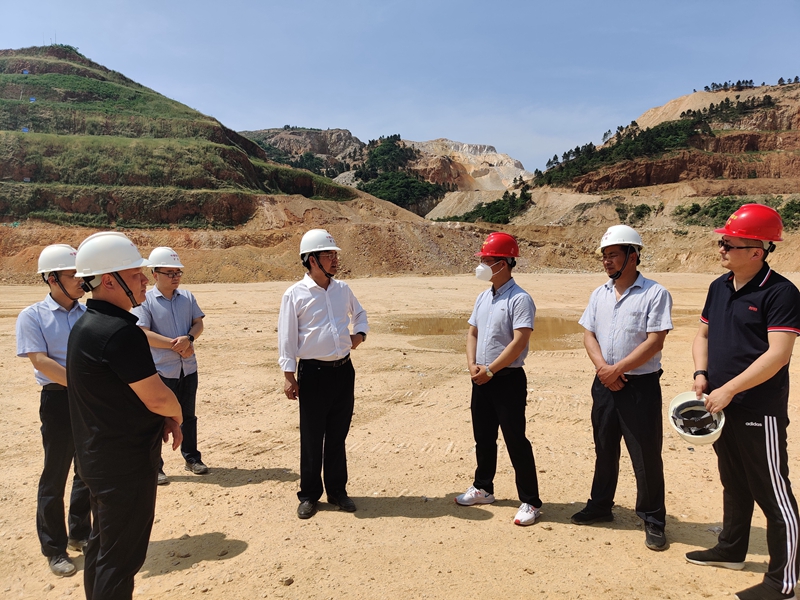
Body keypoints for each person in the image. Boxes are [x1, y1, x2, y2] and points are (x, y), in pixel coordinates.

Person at [685, 204, 800, 600]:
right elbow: (702, 335)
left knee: (772, 491)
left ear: (756, 251)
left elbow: (778, 355)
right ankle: (731, 549)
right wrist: (701, 373)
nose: (721, 249)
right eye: (722, 243)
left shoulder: (781, 292)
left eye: (728, 244)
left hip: (757, 409)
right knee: (733, 481)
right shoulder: (719, 286)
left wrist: (730, 388)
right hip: (720, 405)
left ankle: (783, 582)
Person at [67, 232, 183, 600]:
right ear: (109, 280)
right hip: (124, 466)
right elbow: (158, 397)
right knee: (120, 562)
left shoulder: (86, 325)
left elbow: (118, 394)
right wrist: (176, 414)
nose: (144, 280)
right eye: (136, 275)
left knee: (103, 551)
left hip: (97, 459)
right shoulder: (120, 333)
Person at [572, 225, 672, 551]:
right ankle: (601, 505)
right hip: (604, 383)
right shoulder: (599, 294)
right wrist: (604, 369)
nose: (607, 261)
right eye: (604, 256)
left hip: (639, 386)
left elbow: (655, 340)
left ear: (633, 255)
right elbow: (588, 334)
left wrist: (618, 369)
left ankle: (653, 518)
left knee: (645, 454)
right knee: (604, 447)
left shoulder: (655, 293)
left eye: (613, 254)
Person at [278, 229, 368, 519]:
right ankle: (309, 495)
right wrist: (289, 375)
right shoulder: (294, 294)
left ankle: (337, 491)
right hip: (313, 374)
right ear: (311, 260)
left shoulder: (343, 290)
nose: (335, 259)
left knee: (338, 436)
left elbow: (360, 314)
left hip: (343, 371)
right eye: (328, 255)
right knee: (312, 437)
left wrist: (359, 335)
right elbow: (287, 337)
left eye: (335, 254)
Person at [455, 232, 543, 527]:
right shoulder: (483, 297)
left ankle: (530, 501)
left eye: (487, 259)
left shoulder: (520, 299)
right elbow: (473, 332)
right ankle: (483, 488)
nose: (482, 264)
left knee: (515, 439)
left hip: (506, 379)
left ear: (503, 263)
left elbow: (519, 341)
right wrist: (472, 365)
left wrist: (491, 370)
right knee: (483, 437)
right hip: (481, 378)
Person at [15, 244, 91, 577]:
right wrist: (84, 384)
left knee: (86, 470)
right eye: (73, 274)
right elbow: (41, 361)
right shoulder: (32, 316)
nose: (80, 280)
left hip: (88, 400)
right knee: (54, 475)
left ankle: (80, 533)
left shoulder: (88, 314)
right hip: (58, 400)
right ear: (52, 278)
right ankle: (54, 548)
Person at [132, 247, 207, 484]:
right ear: (155, 274)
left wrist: (189, 339)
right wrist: (177, 345)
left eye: (178, 272)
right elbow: (143, 333)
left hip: (188, 368)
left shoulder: (187, 297)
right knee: (155, 419)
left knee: (188, 416)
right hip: (161, 370)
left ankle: (192, 458)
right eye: (170, 273)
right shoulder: (145, 301)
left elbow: (198, 323)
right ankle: (155, 466)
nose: (175, 277)